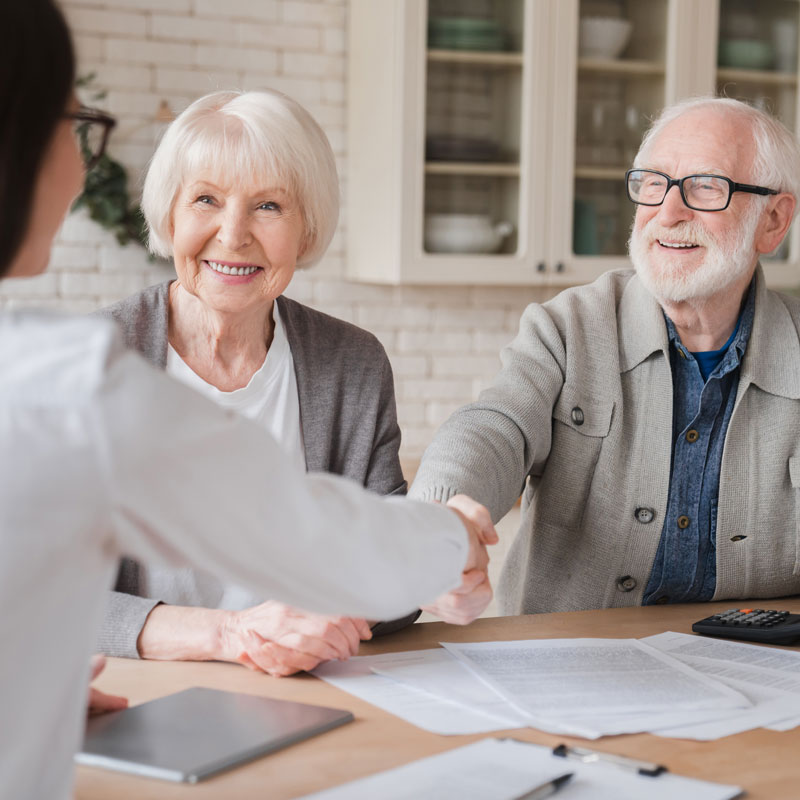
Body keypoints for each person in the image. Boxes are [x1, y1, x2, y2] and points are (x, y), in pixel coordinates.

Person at [0, 2, 497, 797]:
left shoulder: (347, 361)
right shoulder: (73, 379)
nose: (79, 155)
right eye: (75, 123)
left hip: (279, 715)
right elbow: (301, 529)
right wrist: (450, 540)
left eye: (267, 205)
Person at [95, 89, 479, 678]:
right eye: (206, 199)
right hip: (136, 690)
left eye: (268, 206)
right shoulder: (91, 365)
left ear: (306, 229)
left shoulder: (351, 363)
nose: (233, 234)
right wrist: (233, 635)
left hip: (309, 690)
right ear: (170, 215)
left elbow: (381, 583)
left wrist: (429, 569)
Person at [411, 96, 800, 616]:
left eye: (706, 187)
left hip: (763, 681)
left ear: (773, 221)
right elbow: (494, 426)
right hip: (569, 674)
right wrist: (439, 517)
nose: (667, 212)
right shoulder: (568, 327)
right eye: (654, 183)